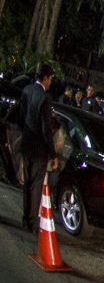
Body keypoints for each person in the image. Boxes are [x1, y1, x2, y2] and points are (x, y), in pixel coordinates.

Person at [18, 63, 57, 232]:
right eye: (50, 79)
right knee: (36, 186)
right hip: (39, 148)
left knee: (27, 184)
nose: (50, 82)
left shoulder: (26, 90)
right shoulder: (45, 98)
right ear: (46, 77)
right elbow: (46, 129)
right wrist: (52, 153)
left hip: (26, 144)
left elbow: (21, 116)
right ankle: (33, 222)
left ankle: (26, 218)